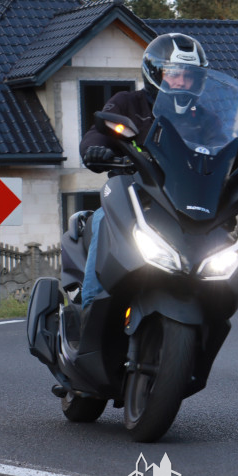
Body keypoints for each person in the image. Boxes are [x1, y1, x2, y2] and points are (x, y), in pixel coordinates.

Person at [78, 33, 210, 310]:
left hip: (182, 202)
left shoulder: (204, 117)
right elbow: (97, 134)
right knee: (104, 220)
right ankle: (92, 304)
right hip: (132, 194)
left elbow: (226, 150)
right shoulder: (127, 102)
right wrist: (96, 150)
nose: (182, 82)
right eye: (174, 74)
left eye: (190, 76)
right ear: (155, 73)